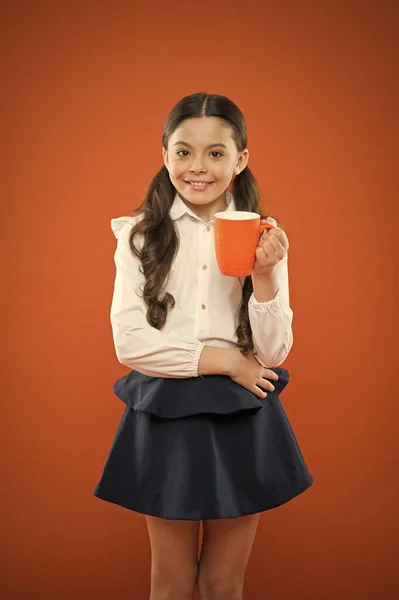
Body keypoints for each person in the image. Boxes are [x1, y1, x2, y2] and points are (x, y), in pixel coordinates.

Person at [94, 92, 313, 600]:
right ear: (165, 154)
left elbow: (275, 353)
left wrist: (264, 276)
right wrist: (225, 362)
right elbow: (129, 342)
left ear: (240, 160)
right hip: (166, 408)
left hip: (242, 412)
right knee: (170, 585)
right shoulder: (139, 237)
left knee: (222, 584)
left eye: (216, 153)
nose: (198, 167)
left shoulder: (266, 236)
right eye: (183, 151)